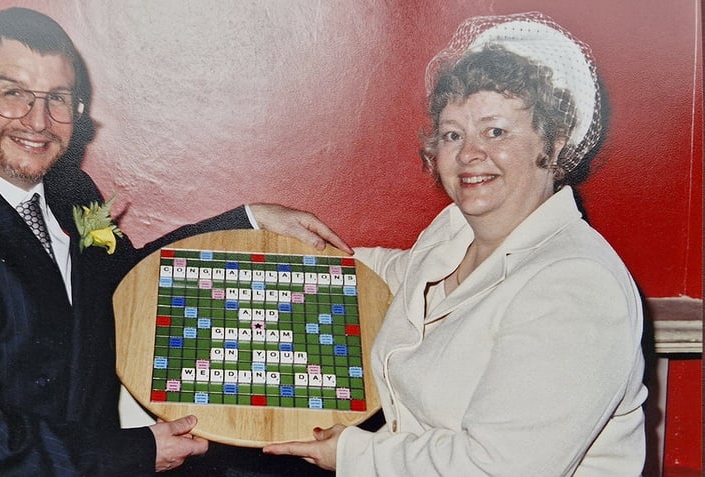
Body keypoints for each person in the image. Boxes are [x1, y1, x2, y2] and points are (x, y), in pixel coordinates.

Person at [0, 7, 350, 476]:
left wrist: (250, 219)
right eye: (14, 94)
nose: (38, 121)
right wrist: (138, 452)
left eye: (57, 98)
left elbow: (126, 286)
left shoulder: (71, 189)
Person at [264, 12, 647, 476]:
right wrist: (282, 240)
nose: (469, 154)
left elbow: (499, 468)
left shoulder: (576, 285)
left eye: (496, 131)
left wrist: (350, 453)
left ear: (554, 139)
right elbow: (389, 273)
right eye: (453, 134)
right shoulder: (455, 234)